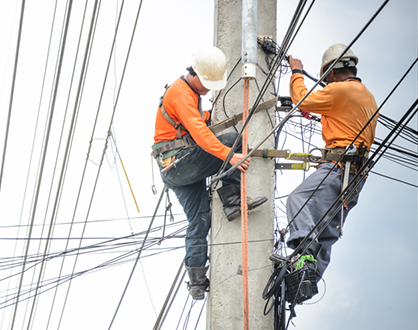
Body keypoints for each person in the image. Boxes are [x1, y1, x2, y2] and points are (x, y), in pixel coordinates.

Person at [151, 46, 267, 299]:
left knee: (200, 221)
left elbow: (192, 121)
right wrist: (229, 154)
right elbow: (201, 135)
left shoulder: (186, 93)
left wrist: (205, 116)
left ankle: (196, 281)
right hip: (180, 164)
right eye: (205, 83)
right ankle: (232, 199)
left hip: (173, 170)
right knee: (233, 139)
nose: (207, 88)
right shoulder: (182, 94)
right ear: (194, 74)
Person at [286, 44, 378, 286]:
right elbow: (344, 119)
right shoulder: (367, 96)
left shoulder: (339, 91)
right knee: (327, 227)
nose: (326, 83)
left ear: (333, 72)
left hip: (338, 167)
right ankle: (307, 283)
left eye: (326, 79)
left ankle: (303, 256)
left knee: (299, 200)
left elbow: (302, 100)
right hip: (356, 177)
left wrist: (296, 71)